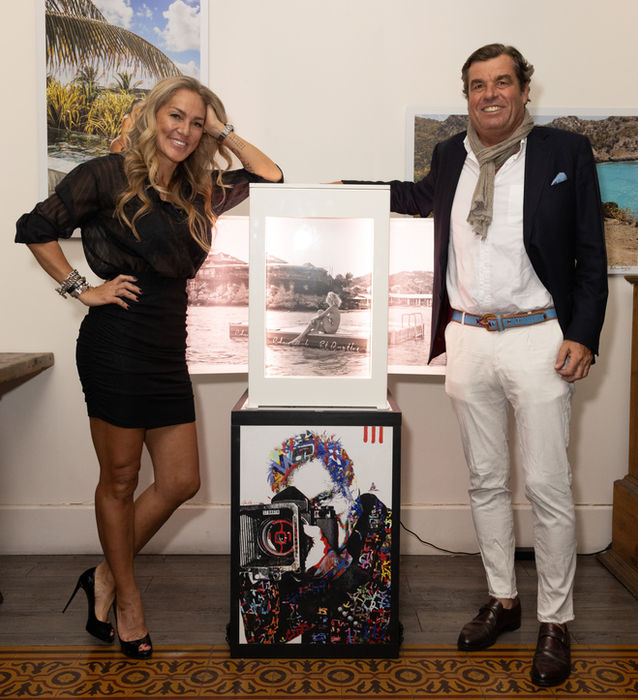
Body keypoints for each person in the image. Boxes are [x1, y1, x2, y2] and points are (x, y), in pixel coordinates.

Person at [342, 44, 608, 686]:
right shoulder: (448, 155)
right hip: (466, 338)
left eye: (502, 82)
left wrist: (583, 333)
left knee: (547, 485)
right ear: (466, 95)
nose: (490, 94)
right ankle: (503, 600)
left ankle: (555, 621)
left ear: (524, 89)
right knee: (485, 480)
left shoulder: (565, 153)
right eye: (478, 85)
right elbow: (414, 197)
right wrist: (336, 192)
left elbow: (590, 253)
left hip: (539, 337)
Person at [15, 75, 283, 659]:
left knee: (181, 480)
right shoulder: (106, 174)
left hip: (165, 350)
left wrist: (221, 129)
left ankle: (103, 575)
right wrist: (82, 289)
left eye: (196, 122)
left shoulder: (196, 189)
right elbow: (34, 228)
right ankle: (128, 599)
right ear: (152, 114)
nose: (184, 130)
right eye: (176, 115)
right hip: (115, 344)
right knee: (120, 480)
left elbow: (270, 176)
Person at [239, 430, 392, 645]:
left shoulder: (385, 528)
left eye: (322, 502)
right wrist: (260, 564)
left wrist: (332, 567)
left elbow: (381, 624)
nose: (309, 523)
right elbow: (264, 640)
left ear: (351, 487)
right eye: (300, 511)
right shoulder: (293, 548)